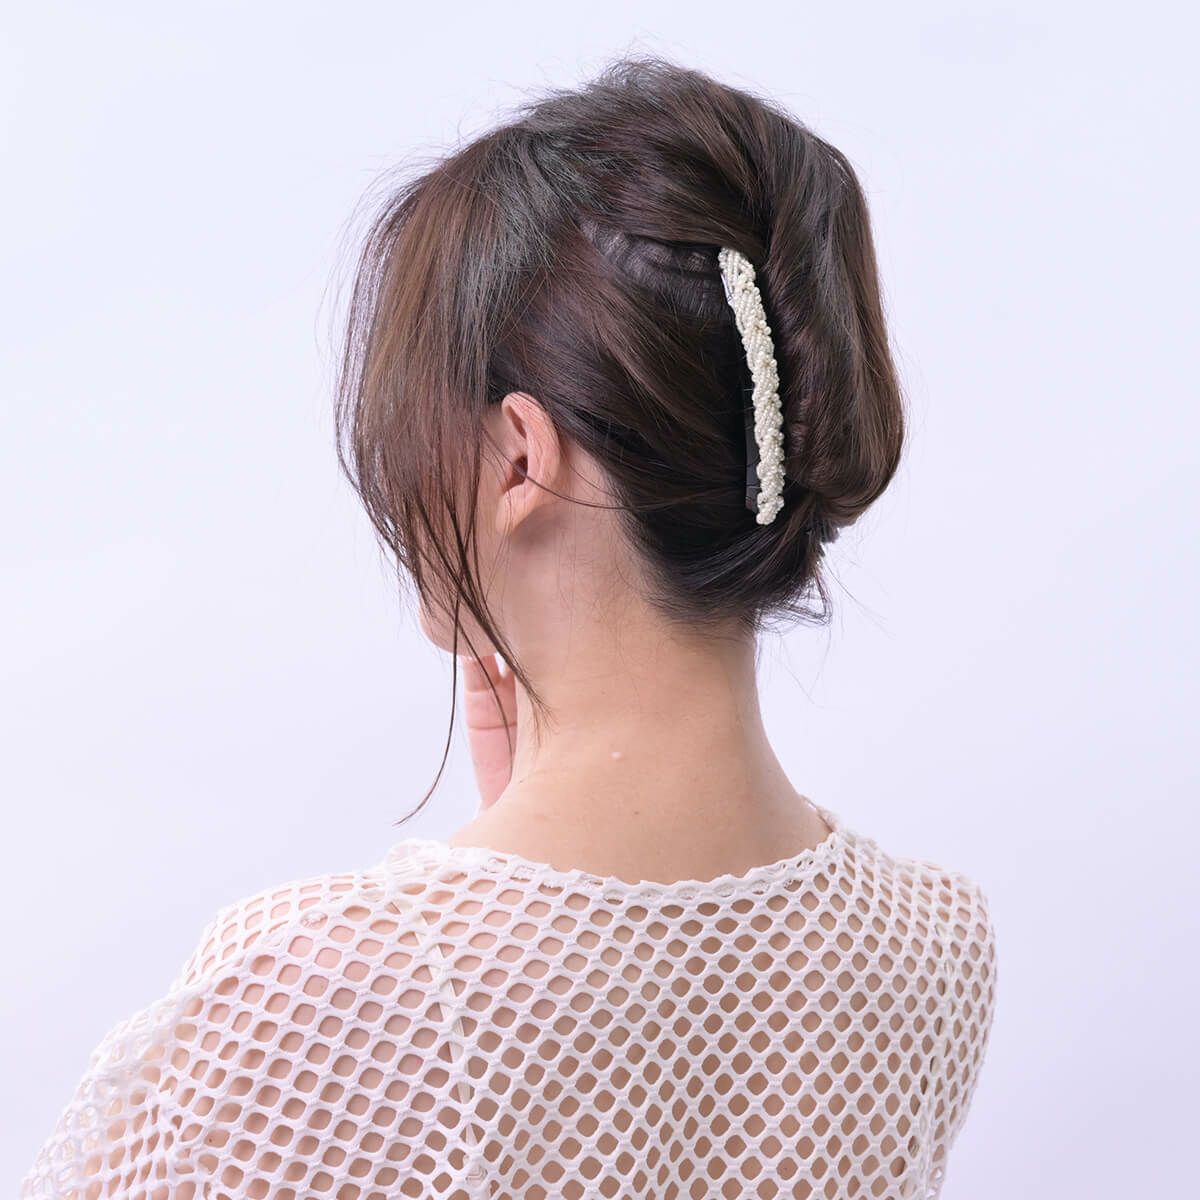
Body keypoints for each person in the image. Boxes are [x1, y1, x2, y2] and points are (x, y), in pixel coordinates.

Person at [19, 55, 996, 1200]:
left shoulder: (316, 993)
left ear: (521, 457)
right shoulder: (932, 947)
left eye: (414, 413)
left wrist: (495, 885)